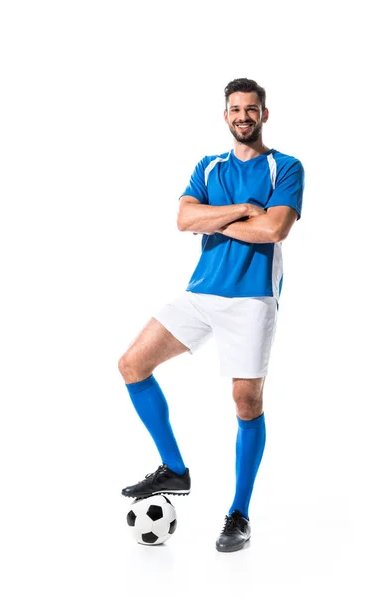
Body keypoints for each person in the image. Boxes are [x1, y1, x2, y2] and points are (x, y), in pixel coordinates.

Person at [118, 78, 304, 552]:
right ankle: (174, 470)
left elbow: (275, 229)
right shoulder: (209, 165)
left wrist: (215, 216)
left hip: (252, 298)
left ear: (265, 114)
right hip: (201, 292)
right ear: (226, 115)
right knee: (132, 365)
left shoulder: (286, 167)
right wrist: (243, 210)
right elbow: (183, 219)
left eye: (252, 109)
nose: (243, 116)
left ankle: (238, 512)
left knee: (246, 401)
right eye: (235, 109)